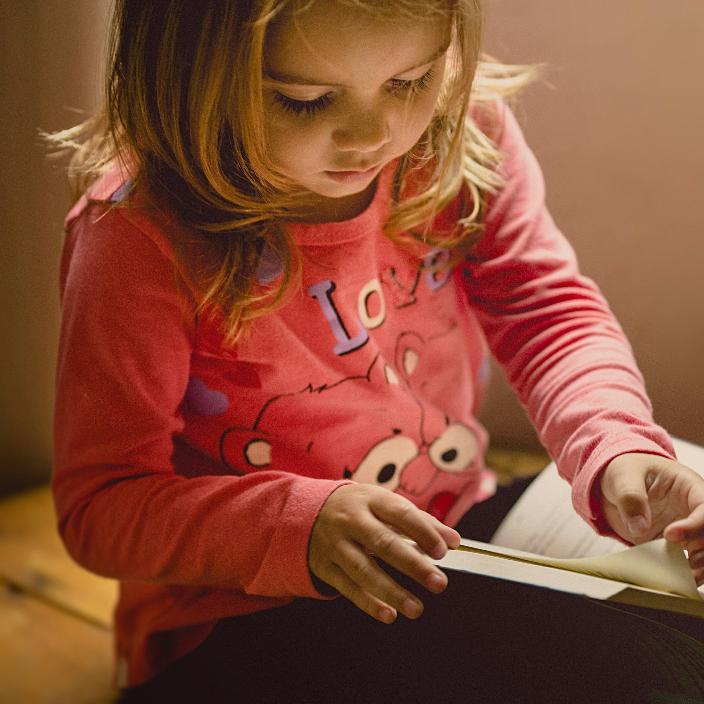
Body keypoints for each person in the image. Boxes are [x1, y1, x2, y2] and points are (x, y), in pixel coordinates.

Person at [50, 0, 704, 701]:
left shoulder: (458, 136)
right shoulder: (138, 238)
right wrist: (297, 526)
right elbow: (102, 506)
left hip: (454, 535)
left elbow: (546, 310)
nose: (374, 134)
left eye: (410, 82)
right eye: (304, 100)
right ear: (181, 74)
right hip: (239, 616)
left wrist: (615, 443)